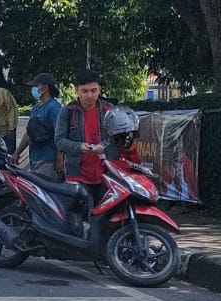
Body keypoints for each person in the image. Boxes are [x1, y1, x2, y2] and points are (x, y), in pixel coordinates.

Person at [56, 70, 134, 205]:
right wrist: (78, 146)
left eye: (93, 90)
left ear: (99, 90)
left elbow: (118, 137)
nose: (89, 95)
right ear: (76, 91)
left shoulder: (109, 110)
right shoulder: (68, 111)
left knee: (107, 216)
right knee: (80, 217)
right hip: (77, 174)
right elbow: (59, 140)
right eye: (84, 91)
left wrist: (103, 146)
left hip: (106, 173)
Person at [18, 72, 63, 179]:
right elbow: (28, 133)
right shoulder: (35, 108)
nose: (33, 89)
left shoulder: (54, 108)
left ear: (44, 88)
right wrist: (17, 152)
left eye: (35, 86)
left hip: (48, 160)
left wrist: (59, 159)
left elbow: (60, 134)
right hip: (34, 158)